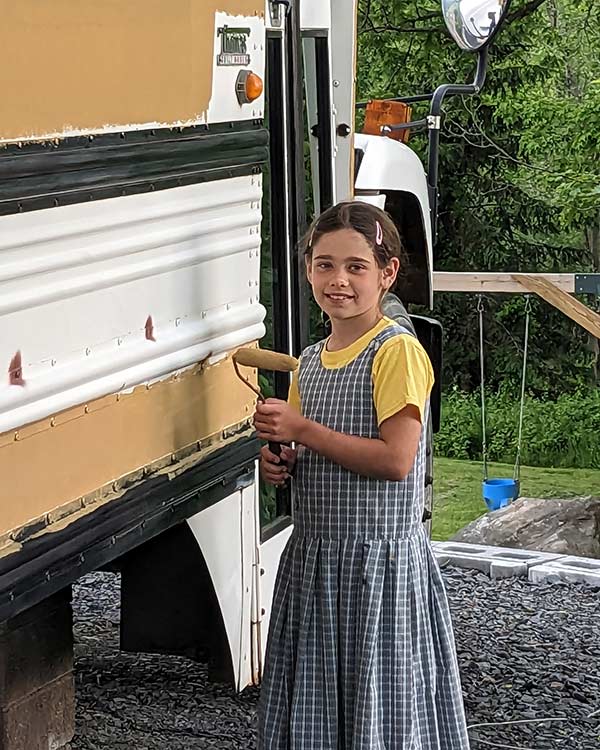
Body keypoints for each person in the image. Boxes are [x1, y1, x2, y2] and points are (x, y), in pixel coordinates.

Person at [254, 201, 470, 749]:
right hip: (318, 562)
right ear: (306, 270)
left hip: (379, 568)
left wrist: (302, 429)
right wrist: (283, 461)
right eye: (324, 265)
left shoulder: (396, 351)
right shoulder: (310, 359)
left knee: (382, 705)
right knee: (319, 706)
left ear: (387, 273)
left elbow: (397, 462)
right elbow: (310, 451)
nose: (338, 280)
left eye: (356, 266)